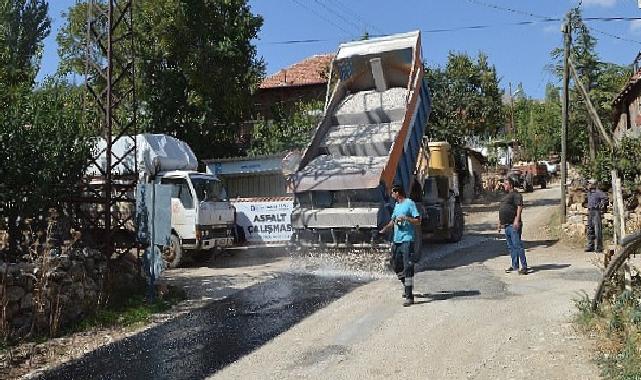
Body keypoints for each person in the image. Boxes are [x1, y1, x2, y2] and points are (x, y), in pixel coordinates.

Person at [379, 184, 421, 307]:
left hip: (407, 239)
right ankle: (407, 285)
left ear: (398, 193)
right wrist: (385, 228)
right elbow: (393, 220)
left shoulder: (410, 203)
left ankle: (409, 297)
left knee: (407, 266)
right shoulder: (397, 206)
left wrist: (407, 218)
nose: (391, 195)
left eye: (393, 192)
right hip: (397, 240)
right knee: (396, 265)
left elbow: (418, 221)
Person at [498, 177, 528, 275]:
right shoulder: (505, 196)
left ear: (510, 185)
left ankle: (524, 267)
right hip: (506, 225)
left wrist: (516, 220)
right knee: (511, 247)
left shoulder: (516, 195)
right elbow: (502, 209)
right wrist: (499, 223)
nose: (504, 186)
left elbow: (519, 207)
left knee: (518, 245)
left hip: (513, 225)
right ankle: (515, 265)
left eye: (506, 184)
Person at [585, 180, 608, 253]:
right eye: (588, 184)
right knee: (590, 229)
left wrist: (601, 205)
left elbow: (605, 198)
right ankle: (590, 246)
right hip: (590, 211)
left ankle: (599, 247)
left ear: (593, 184)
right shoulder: (589, 192)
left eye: (589, 184)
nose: (588, 185)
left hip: (596, 211)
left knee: (597, 230)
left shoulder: (598, 192)